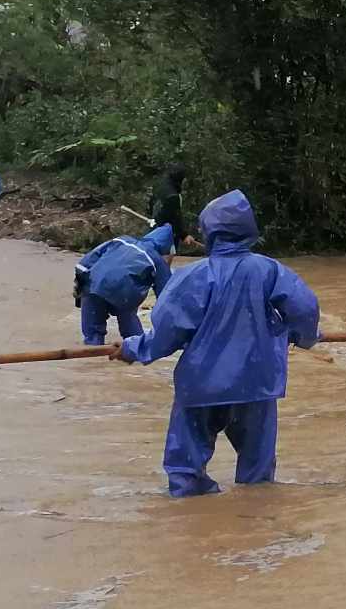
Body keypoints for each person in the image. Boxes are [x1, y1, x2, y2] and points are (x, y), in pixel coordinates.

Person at [116, 189, 320, 498]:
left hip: (202, 384)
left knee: (185, 471)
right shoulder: (270, 271)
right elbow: (304, 310)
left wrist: (133, 348)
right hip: (256, 384)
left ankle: (193, 523)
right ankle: (255, 525)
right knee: (258, 473)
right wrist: (301, 337)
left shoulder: (193, 276)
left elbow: (167, 332)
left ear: (209, 232)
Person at [74, 225, 175, 344]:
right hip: (123, 294)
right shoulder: (157, 260)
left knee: (92, 334)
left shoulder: (121, 240)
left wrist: (80, 289)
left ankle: (93, 355)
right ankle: (137, 350)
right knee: (133, 334)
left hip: (93, 284)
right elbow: (166, 295)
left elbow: (83, 264)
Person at [148, 163, 195, 250]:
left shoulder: (159, 187)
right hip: (166, 234)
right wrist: (184, 235)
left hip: (154, 228)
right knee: (164, 258)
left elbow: (151, 205)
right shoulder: (173, 196)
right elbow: (175, 218)